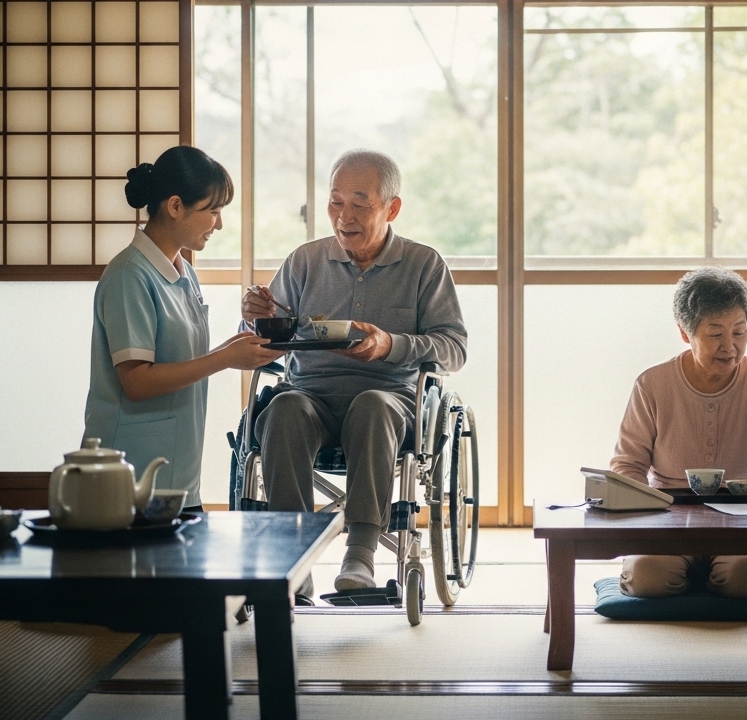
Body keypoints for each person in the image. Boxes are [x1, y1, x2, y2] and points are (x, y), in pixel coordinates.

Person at [241, 149, 467, 593]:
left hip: (390, 400)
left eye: (360, 204)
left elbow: (453, 348)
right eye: (335, 202)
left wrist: (391, 345)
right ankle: (294, 561)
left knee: (371, 405)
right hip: (311, 397)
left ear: (391, 208)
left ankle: (360, 554)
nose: (344, 216)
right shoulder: (305, 261)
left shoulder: (424, 265)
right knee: (283, 408)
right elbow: (259, 347)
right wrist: (255, 318)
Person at [83, 146, 279, 511]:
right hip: (128, 475)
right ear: (175, 206)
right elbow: (137, 381)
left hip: (178, 475)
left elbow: (179, 360)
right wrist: (223, 358)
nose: (219, 224)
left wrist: (233, 348)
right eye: (213, 211)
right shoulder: (130, 276)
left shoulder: (183, 271)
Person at [612, 267, 747, 600]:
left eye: (739, 332)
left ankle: (710, 577)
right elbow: (627, 465)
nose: (730, 346)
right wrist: (644, 516)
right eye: (715, 334)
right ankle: (692, 574)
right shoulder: (652, 384)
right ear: (685, 332)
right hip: (670, 517)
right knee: (648, 579)